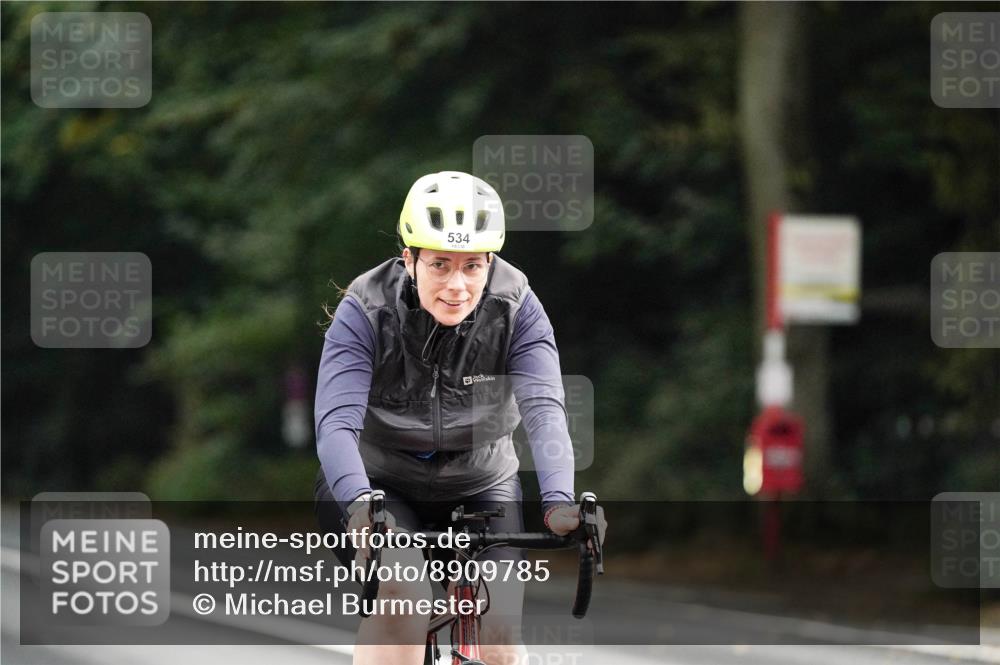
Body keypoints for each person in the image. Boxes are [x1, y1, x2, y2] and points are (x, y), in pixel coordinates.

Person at [314, 171, 606, 665]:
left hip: (481, 483)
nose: (457, 285)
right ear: (409, 259)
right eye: (440, 265)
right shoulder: (364, 310)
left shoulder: (518, 308)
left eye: (473, 266)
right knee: (403, 604)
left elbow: (545, 411)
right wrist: (361, 507)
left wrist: (559, 502)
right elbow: (335, 425)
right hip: (381, 486)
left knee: (500, 642)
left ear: (490, 262)